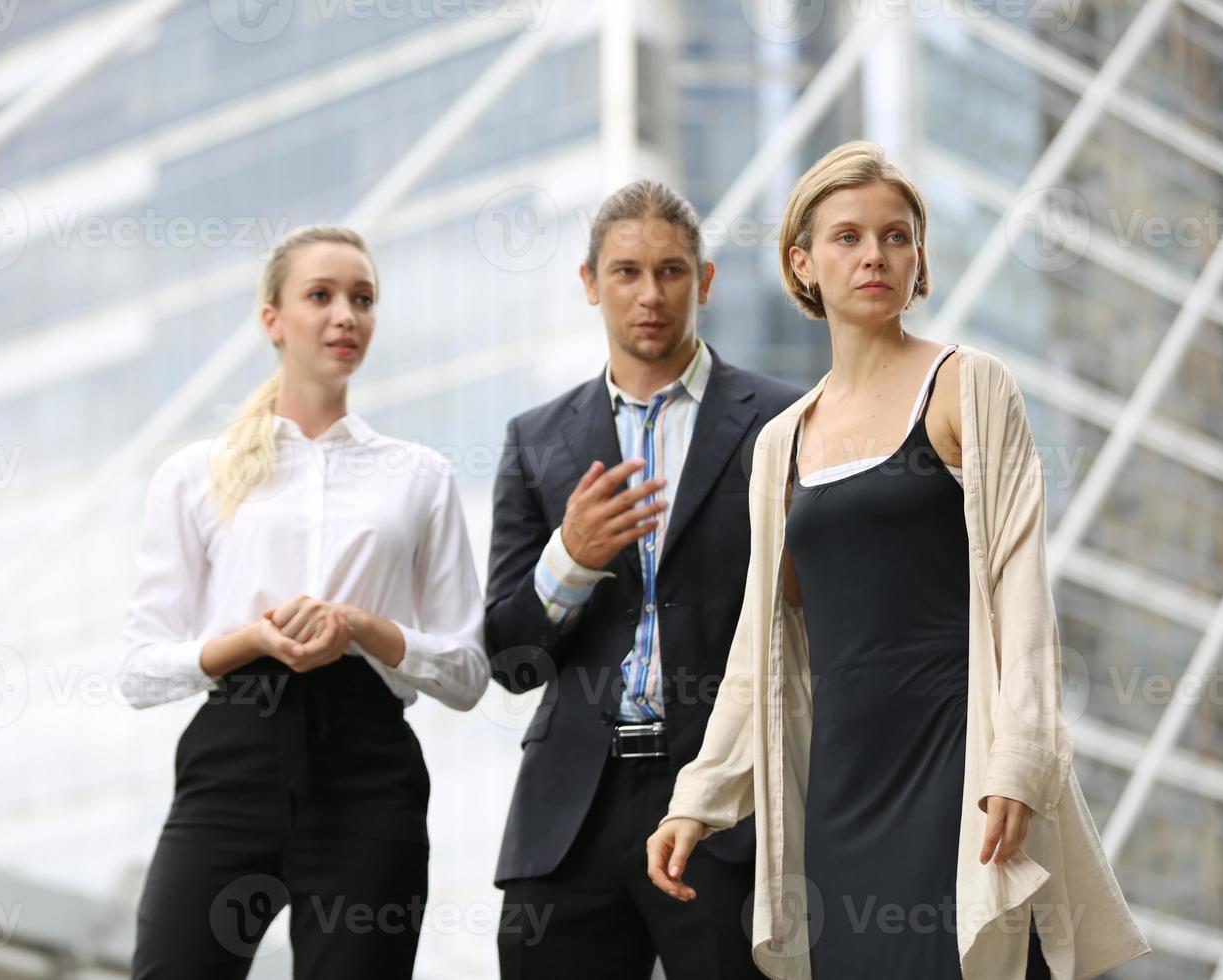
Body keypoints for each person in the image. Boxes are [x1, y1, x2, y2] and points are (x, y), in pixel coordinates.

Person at [647, 142, 1151, 979]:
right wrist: (698, 801)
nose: (874, 255)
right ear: (802, 262)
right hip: (844, 777)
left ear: (919, 259)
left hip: (959, 756)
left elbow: (1021, 592)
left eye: (896, 236)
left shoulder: (971, 386)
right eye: (846, 238)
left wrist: (1019, 764)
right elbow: (761, 646)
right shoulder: (781, 444)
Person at [119, 224, 489, 979]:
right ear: (272, 319)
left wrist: (362, 626)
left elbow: (467, 671)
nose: (344, 315)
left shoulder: (418, 476)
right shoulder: (196, 473)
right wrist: (253, 640)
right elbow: (139, 669)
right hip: (233, 757)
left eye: (362, 298)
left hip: (367, 768)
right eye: (319, 296)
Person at [484, 179, 804, 979]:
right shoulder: (537, 442)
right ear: (591, 284)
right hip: (569, 817)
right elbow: (507, 658)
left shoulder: (783, 421)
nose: (650, 294)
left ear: (705, 281)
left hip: (727, 803)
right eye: (626, 273)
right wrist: (573, 558)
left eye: (670, 271)